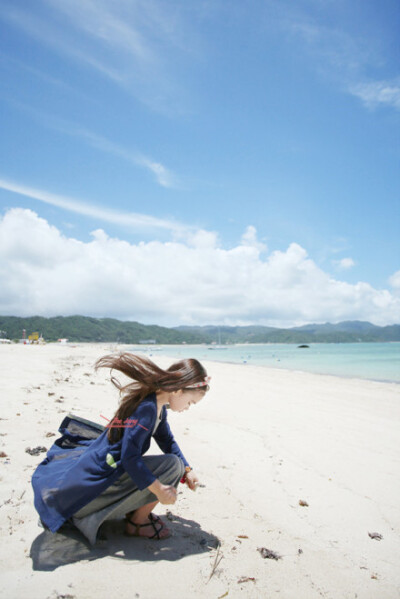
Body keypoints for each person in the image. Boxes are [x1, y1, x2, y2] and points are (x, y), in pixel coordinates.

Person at [31, 353, 210, 545]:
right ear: (177, 391)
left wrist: (188, 470)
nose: (188, 408)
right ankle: (137, 523)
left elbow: (167, 440)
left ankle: (135, 512)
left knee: (177, 466)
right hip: (84, 499)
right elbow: (130, 458)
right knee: (173, 466)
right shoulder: (147, 410)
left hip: (101, 476)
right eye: (190, 402)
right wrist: (159, 491)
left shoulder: (156, 404)